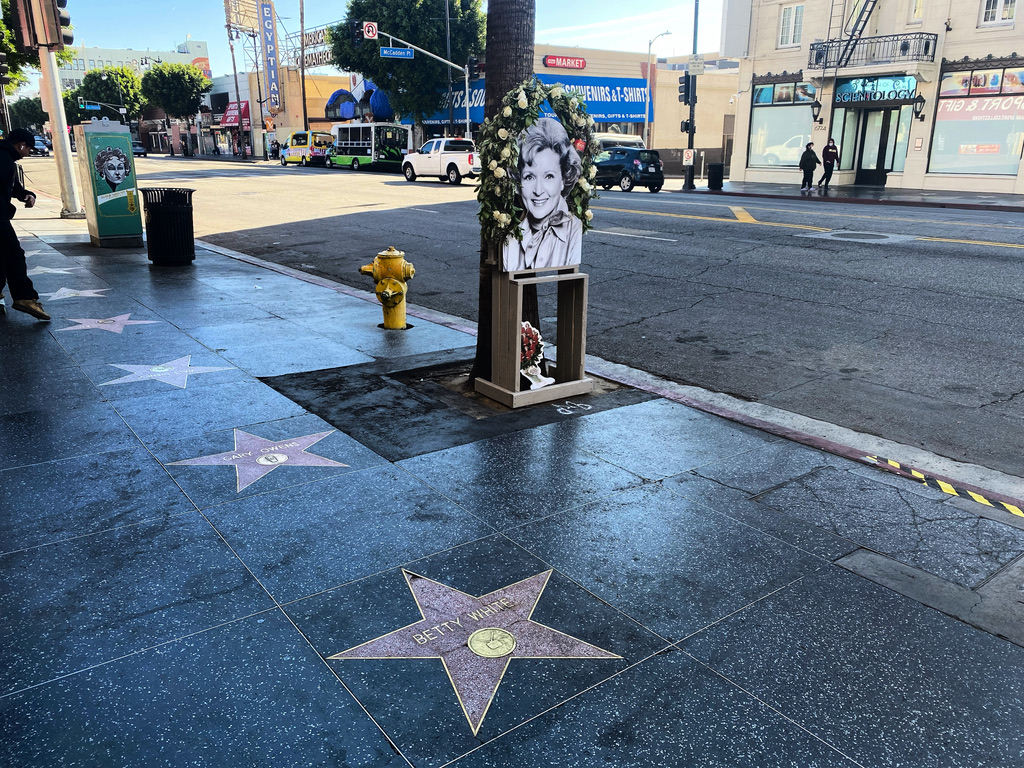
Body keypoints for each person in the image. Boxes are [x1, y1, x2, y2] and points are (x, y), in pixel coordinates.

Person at [502, 117, 583, 271]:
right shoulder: (511, 240)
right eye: (529, 177)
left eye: (549, 176)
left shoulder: (574, 230)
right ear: (518, 182)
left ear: (563, 179)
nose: (538, 191)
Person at [0, 128, 49, 321]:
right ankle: (25, 298)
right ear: (21, 145)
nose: (28, 153)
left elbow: (10, 186)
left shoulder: (5, 157)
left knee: (3, 255)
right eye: (29, 149)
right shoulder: (4, 159)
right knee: (14, 255)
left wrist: (26, 195)